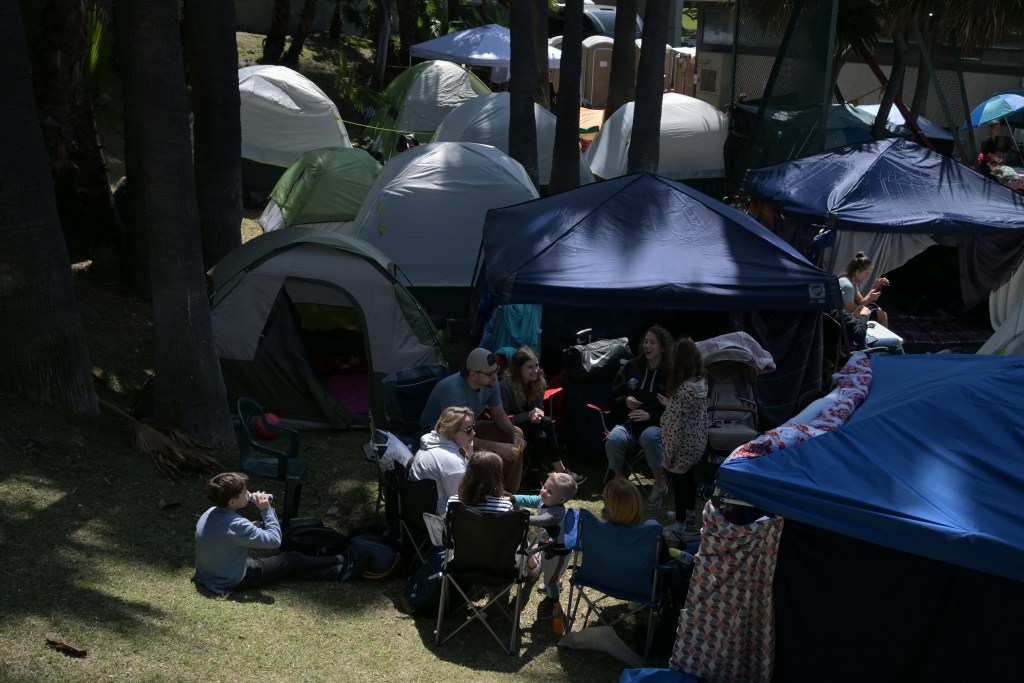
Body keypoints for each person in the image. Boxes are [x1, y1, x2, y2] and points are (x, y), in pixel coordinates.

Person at [193, 472, 351, 594]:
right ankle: (339, 560)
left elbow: (225, 534)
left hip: (211, 573)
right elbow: (275, 541)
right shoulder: (236, 524)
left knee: (282, 569)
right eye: (244, 491)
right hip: (232, 579)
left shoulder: (210, 513)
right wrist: (267, 510)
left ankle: (333, 571)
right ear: (232, 502)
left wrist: (252, 525)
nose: (248, 493)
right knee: (292, 559)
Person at [420, 348, 526, 493]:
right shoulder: (453, 391)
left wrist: (514, 435)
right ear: (473, 374)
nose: (496, 376)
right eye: (490, 373)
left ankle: (510, 493)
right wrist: (497, 447)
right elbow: (457, 436)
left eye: (497, 370)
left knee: (515, 432)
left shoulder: (490, 382)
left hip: (467, 428)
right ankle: (481, 493)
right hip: (443, 435)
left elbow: (499, 415)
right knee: (485, 450)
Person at [606, 325, 673, 510]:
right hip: (629, 425)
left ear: (663, 347)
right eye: (645, 342)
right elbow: (613, 398)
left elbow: (676, 409)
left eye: (652, 342)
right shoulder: (631, 366)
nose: (647, 346)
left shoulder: (670, 373)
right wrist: (625, 400)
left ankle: (659, 485)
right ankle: (620, 485)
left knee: (650, 436)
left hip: (657, 427)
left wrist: (651, 415)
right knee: (613, 440)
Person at [501, 346, 586, 487]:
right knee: (547, 423)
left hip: (533, 424)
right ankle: (561, 470)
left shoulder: (538, 381)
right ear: (518, 369)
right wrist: (529, 415)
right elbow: (504, 418)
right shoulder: (505, 386)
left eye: (537, 365)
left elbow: (539, 406)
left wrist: (537, 414)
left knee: (541, 435)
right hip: (511, 428)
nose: (535, 370)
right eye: (530, 367)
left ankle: (533, 473)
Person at [658, 338, 709, 545]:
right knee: (689, 481)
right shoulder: (700, 384)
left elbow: (675, 427)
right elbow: (690, 414)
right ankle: (689, 516)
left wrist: (669, 453)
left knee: (680, 486)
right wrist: (671, 404)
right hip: (696, 445)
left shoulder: (681, 391)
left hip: (680, 449)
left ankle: (679, 526)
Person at [512, 472, 579, 620]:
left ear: (561, 499)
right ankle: (555, 581)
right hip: (548, 547)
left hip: (558, 554)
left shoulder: (556, 513)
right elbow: (529, 499)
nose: (543, 491)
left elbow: (540, 520)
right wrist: (512, 498)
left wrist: (518, 517)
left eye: (549, 491)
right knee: (549, 572)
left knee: (551, 580)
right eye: (544, 487)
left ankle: (553, 604)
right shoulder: (546, 501)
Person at [408, 406, 476, 516]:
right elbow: (465, 499)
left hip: (421, 516)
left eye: (473, 427)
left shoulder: (430, 446)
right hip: (442, 523)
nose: (473, 433)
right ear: (452, 431)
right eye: (468, 430)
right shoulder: (450, 460)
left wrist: (468, 456)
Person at [838, 251, 890, 328]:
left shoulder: (852, 282)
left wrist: (875, 286)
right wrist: (870, 299)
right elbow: (853, 311)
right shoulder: (848, 286)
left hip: (849, 314)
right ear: (857, 272)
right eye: (866, 273)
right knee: (882, 315)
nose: (867, 276)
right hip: (844, 319)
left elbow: (861, 301)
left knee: (878, 310)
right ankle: (886, 339)